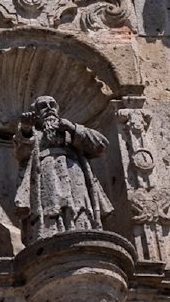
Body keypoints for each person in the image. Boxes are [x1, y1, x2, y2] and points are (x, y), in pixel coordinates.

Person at [13, 94, 113, 244]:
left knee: (80, 207)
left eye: (52, 105)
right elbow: (21, 153)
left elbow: (101, 146)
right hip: (45, 174)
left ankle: (83, 232)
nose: (49, 109)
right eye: (43, 106)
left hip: (74, 173)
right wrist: (26, 129)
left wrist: (73, 128)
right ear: (36, 114)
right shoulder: (35, 134)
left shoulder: (70, 131)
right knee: (50, 208)